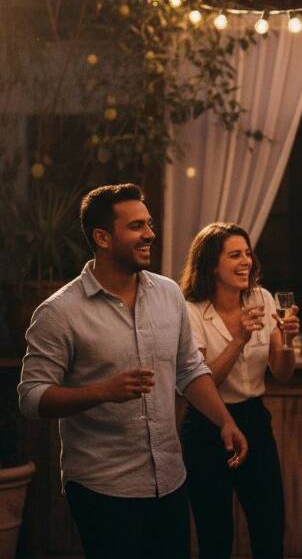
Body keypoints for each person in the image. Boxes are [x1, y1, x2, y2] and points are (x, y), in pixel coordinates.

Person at [17, 184, 247, 559]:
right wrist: (103, 391)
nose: (150, 235)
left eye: (150, 224)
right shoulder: (59, 312)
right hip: (102, 486)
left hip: (170, 479)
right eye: (137, 226)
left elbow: (189, 369)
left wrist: (225, 421)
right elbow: (31, 398)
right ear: (102, 237)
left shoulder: (169, 293)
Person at [179, 222, 299, 559]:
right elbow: (201, 380)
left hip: (254, 420)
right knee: (215, 538)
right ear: (211, 265)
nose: (246, 261)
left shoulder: (261, 297)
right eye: (235, 255)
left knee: (270, 531)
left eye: (247, 253)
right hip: (207, 426)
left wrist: (288, 340)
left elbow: (283, 373)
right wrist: (240, 339)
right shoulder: (190, 311)